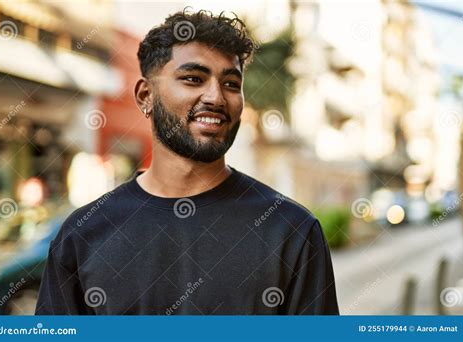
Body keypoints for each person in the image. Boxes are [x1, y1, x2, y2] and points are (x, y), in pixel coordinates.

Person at [35, 9, 339, 315]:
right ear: (145, 96)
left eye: (231, 84)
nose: (216, 98)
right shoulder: (83, 234)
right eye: (193, 79)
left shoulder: (291, 230)